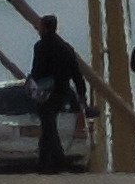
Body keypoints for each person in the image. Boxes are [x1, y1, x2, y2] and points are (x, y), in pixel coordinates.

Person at [24, 14, 93, 161]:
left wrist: (31, 83)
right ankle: (47, 158)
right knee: (48, 123)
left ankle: (55, 157)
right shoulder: (66, 48)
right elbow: (76, 74)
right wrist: (82, 95)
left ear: (44, 28)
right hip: (62, 92)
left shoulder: (40, 47)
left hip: (45, 91)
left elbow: (37, 70)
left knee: (48, 123)